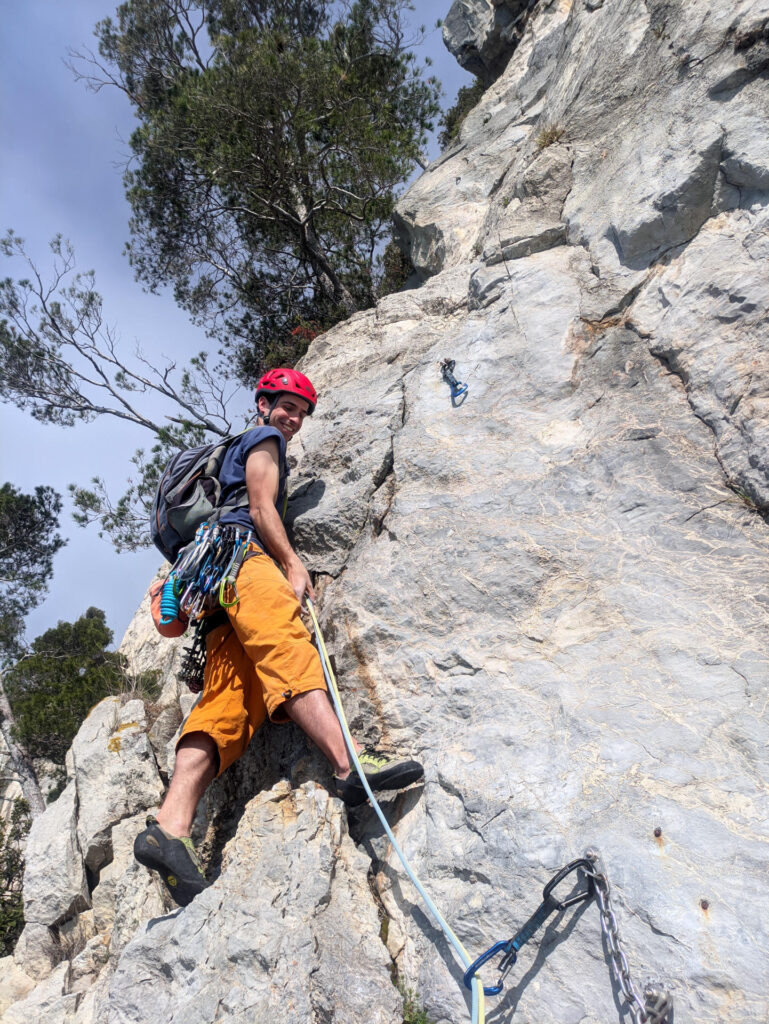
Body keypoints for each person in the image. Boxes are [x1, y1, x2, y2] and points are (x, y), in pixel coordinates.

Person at [134, 368, 423, 907]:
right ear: (262, 404)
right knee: (285, 645)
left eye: (300, 412)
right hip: (239, 556)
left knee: (227, 707)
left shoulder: (228, 452)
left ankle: (168, 829)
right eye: (284, 406)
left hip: (209, 586)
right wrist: (291, 563)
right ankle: (349, 764)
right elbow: (263, 506)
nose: (291, 418)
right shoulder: (261, 440)